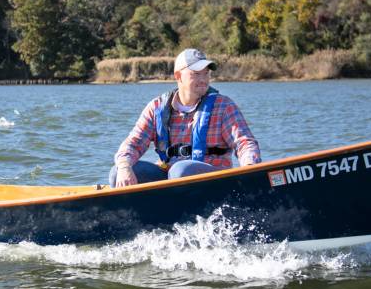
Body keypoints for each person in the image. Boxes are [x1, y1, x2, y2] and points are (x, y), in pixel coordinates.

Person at [110, 48, 261, 187]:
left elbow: (245, 143)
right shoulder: (156, 108)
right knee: (117, 172)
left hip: (213, 181)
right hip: (170, 178)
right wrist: (124, 167)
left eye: (206, 73)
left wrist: (250, 169)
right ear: (178, 76)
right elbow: (133, 144)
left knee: (181, 170)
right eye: (196, 74)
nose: (203, 79)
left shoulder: (223, 106)